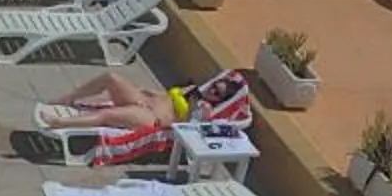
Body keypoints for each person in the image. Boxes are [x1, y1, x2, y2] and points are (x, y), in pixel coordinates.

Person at [33, 68, 252, 133]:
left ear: (219, 100)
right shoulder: (193, 89)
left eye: (217, 92)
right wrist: (146, 93)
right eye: (214, 86)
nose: (213, 90)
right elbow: (167, 95)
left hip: (151, 118)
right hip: (144, 101)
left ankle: (60, 124)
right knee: (111, 78)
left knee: (107, 116)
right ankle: (67, 98)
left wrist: (162, 118)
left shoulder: (203, 110)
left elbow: (180, 127)